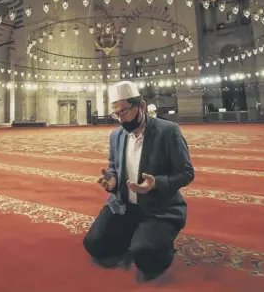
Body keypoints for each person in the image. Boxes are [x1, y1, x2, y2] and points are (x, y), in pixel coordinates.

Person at [83, 81, 195, 282]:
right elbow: (113, 165)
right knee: (94, 244)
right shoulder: (116, 135)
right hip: (124, 207)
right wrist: (113, 180)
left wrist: (156, 184)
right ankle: (136, 233)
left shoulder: (168, 131)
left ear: (141, 106)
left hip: (159, 210)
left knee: (147, 258)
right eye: (116, 114)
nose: (120, 119)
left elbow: (186, 173)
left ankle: (157, 239)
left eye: (124, 112)